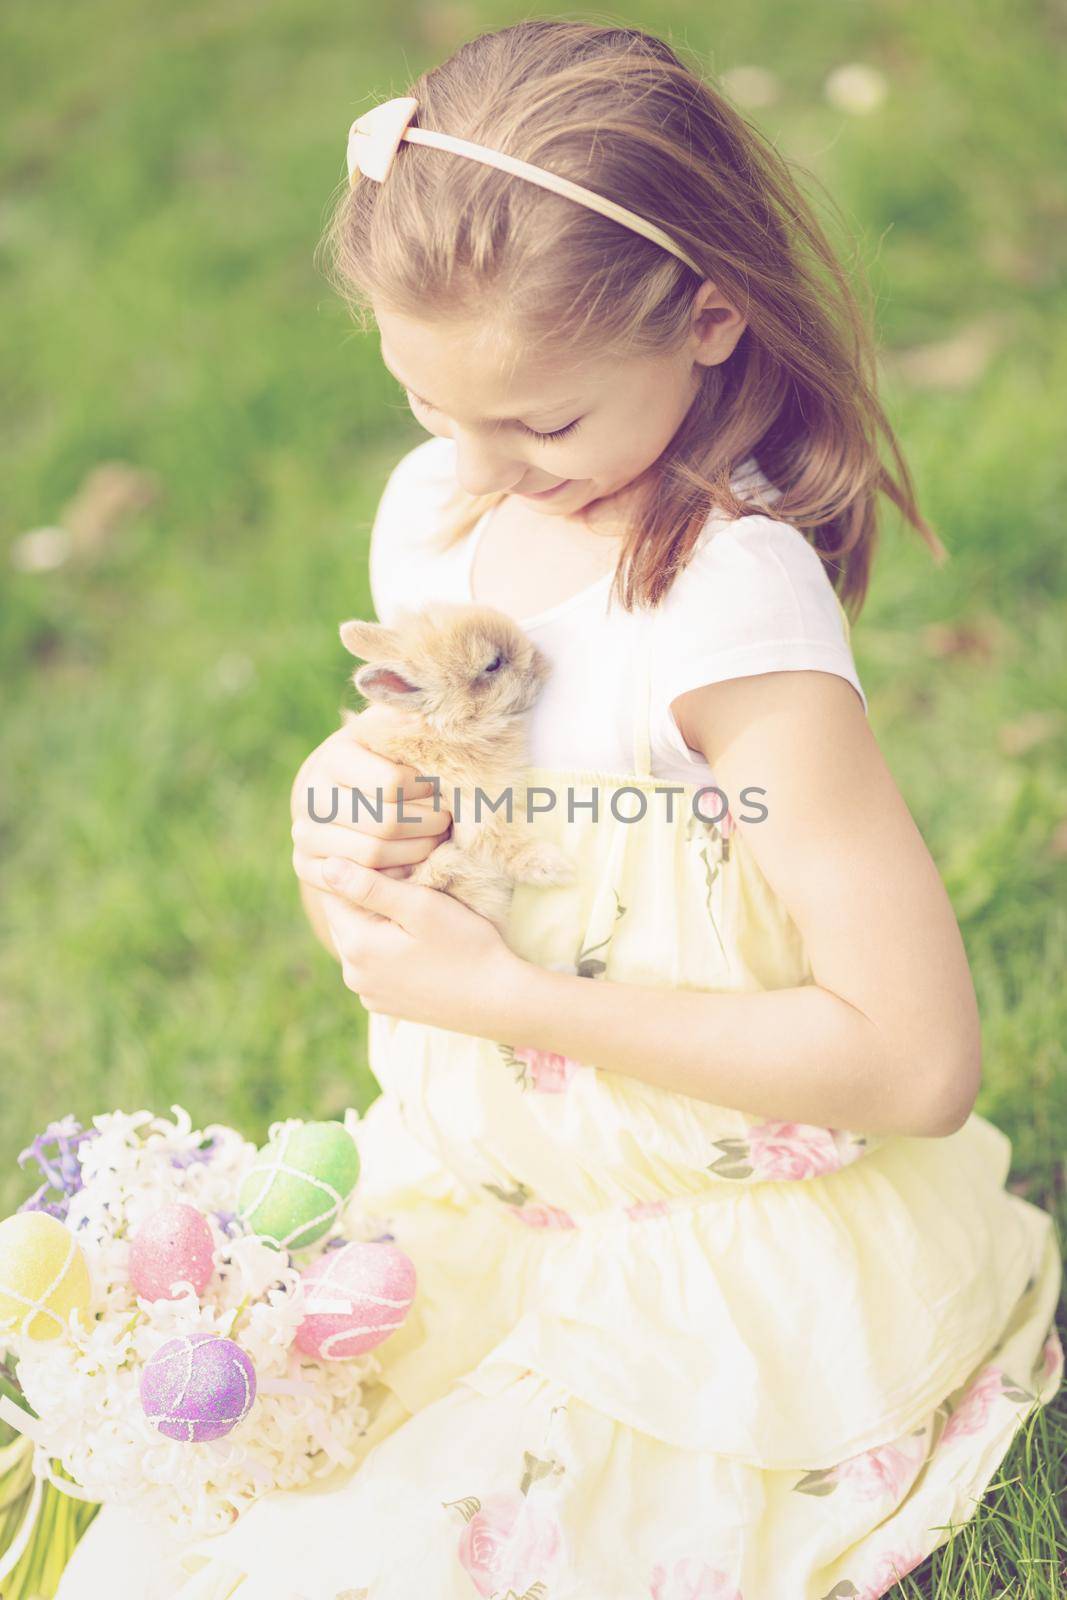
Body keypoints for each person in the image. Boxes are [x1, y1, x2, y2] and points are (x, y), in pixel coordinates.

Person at [57, 19, 1063, 1600]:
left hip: (706, 1243)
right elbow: (429, 761)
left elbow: (914, 1056)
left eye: (543, 424)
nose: (486, 471)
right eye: (426, 404)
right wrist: (347, 815)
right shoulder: (440, 508)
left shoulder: (728, 621)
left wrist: (510, 996)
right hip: (485, 1180)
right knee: (187, 1530)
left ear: (712, 319)